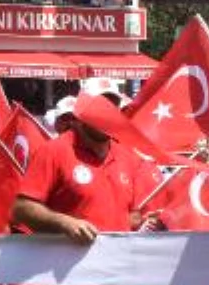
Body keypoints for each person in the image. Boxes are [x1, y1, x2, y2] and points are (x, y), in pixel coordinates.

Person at [11, 94, 165, 242]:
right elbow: (22, 208)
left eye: (112, 108)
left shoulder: (127, 157)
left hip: (116, 261)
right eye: (100, 107)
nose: (106, 115)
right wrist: (64, 223)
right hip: (66, 263)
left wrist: (144, 221)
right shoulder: (53, 151)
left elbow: (127, 217)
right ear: (81, 112)